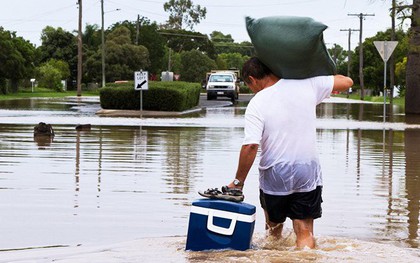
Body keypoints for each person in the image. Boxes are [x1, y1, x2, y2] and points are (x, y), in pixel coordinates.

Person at [225, 57, 353, 249]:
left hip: (274, 173)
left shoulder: (257, 103)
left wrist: (238, 183)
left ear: (252, 79)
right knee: (304, 231)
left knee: (273, 232)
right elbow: (347, 82)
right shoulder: (307, 84)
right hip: (306, 171)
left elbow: (250, 146)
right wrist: (311, 73)